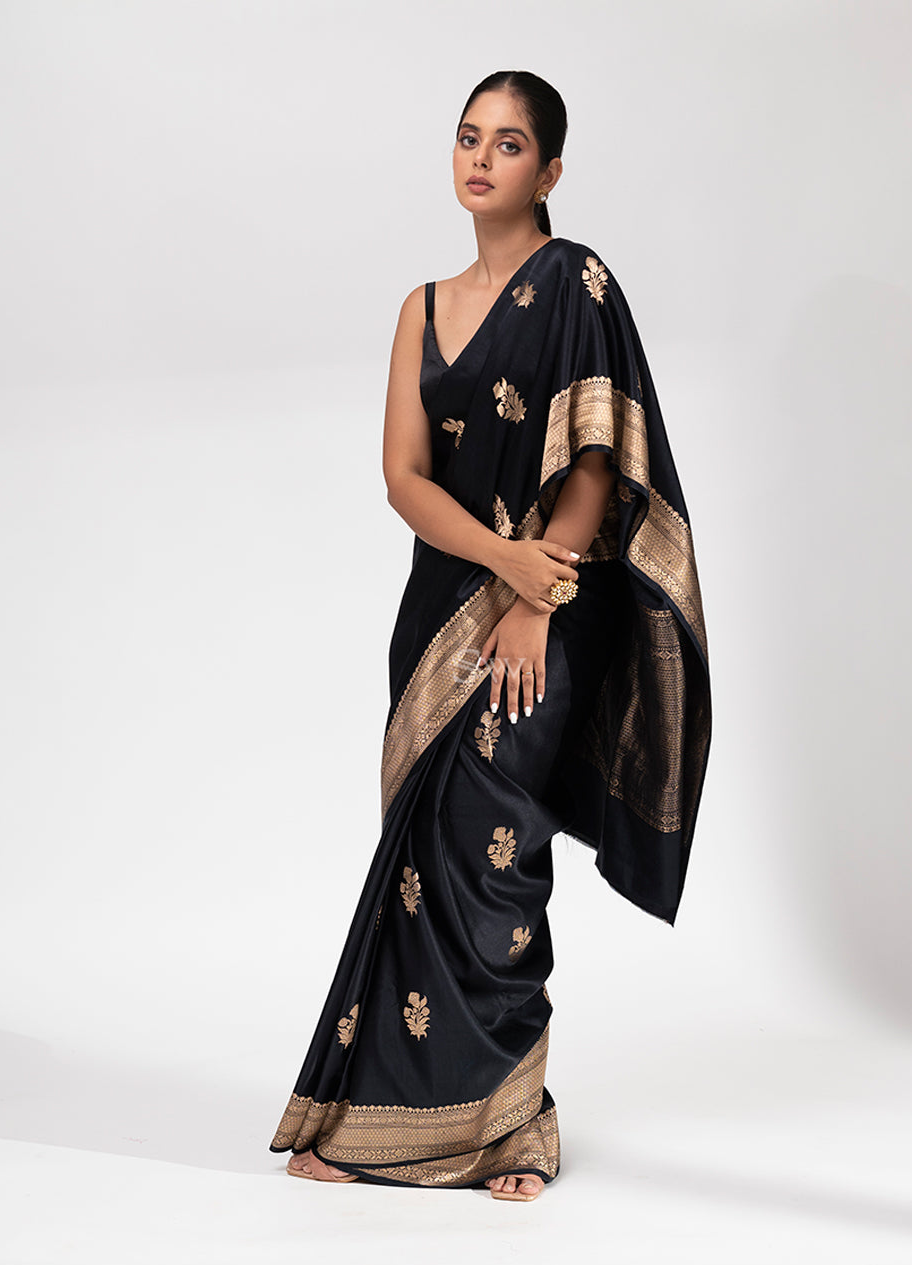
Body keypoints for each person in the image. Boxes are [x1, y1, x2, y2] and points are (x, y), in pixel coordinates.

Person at [269, 70, 711, 1202]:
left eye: (508, 144)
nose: (480, 158)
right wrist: (499, 561)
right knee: (421, 862)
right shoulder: (420, 307)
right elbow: (403, 479)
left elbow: (598, 462)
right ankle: (386, 1121)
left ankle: (515, 1128)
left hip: (540, 619)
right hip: (439, 619)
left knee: (494, 857)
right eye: (469, 137)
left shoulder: (576, 283)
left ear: (549, 170)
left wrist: (532, 588)